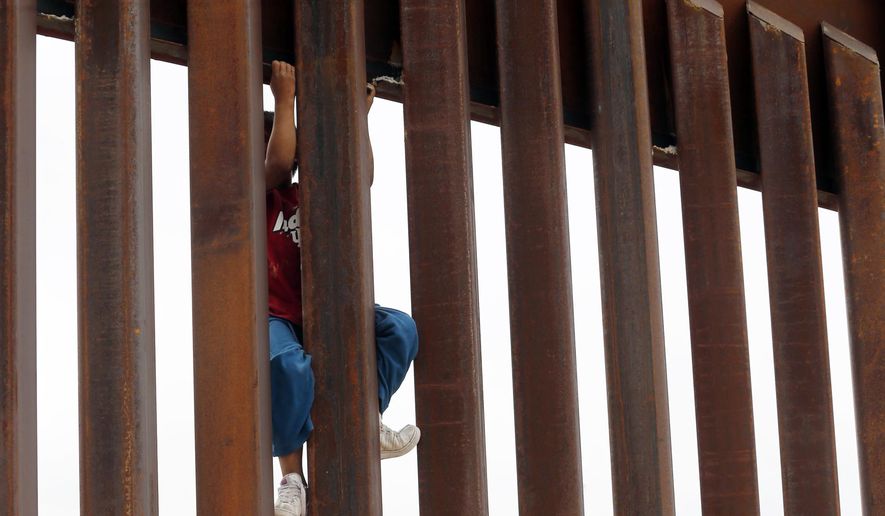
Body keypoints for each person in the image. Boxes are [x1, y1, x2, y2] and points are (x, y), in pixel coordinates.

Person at [264, 60, 421, 516]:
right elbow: (277, 162)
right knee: (285, 366)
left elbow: (360, 178)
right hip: (281, 314)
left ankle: (368, 418)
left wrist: (358, 117)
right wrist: (284, 99)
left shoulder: (315, 194)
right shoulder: (265, 193)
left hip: (330, 305)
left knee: (400, 330)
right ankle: (291, 477)